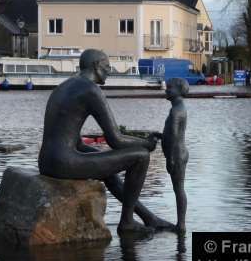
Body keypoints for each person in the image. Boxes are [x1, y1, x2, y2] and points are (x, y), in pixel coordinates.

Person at [38, 49, 174, 234]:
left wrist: (99, 157)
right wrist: (145, 144)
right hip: (63, 162)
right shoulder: (91, 90)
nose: (110, 70)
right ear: (96, 66)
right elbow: (115, 140)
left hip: (47, 161)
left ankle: (148, 217)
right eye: (108, 66)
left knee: (108, 171)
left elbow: (75, 142)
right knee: (140, 157)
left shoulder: (66, 86)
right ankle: (127, 223)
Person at [154, 78, 189, 233]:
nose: (166, 90)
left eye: (169, 88)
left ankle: (181, 225)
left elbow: (174, 135)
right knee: (178, 189)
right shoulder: (177, 108)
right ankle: (180, 224)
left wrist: (171, 159)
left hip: (177, 154)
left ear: (178, 90)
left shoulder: (176, 110)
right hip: (177, 153)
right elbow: (170, 134)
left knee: (178, 189)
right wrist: (159, 135)